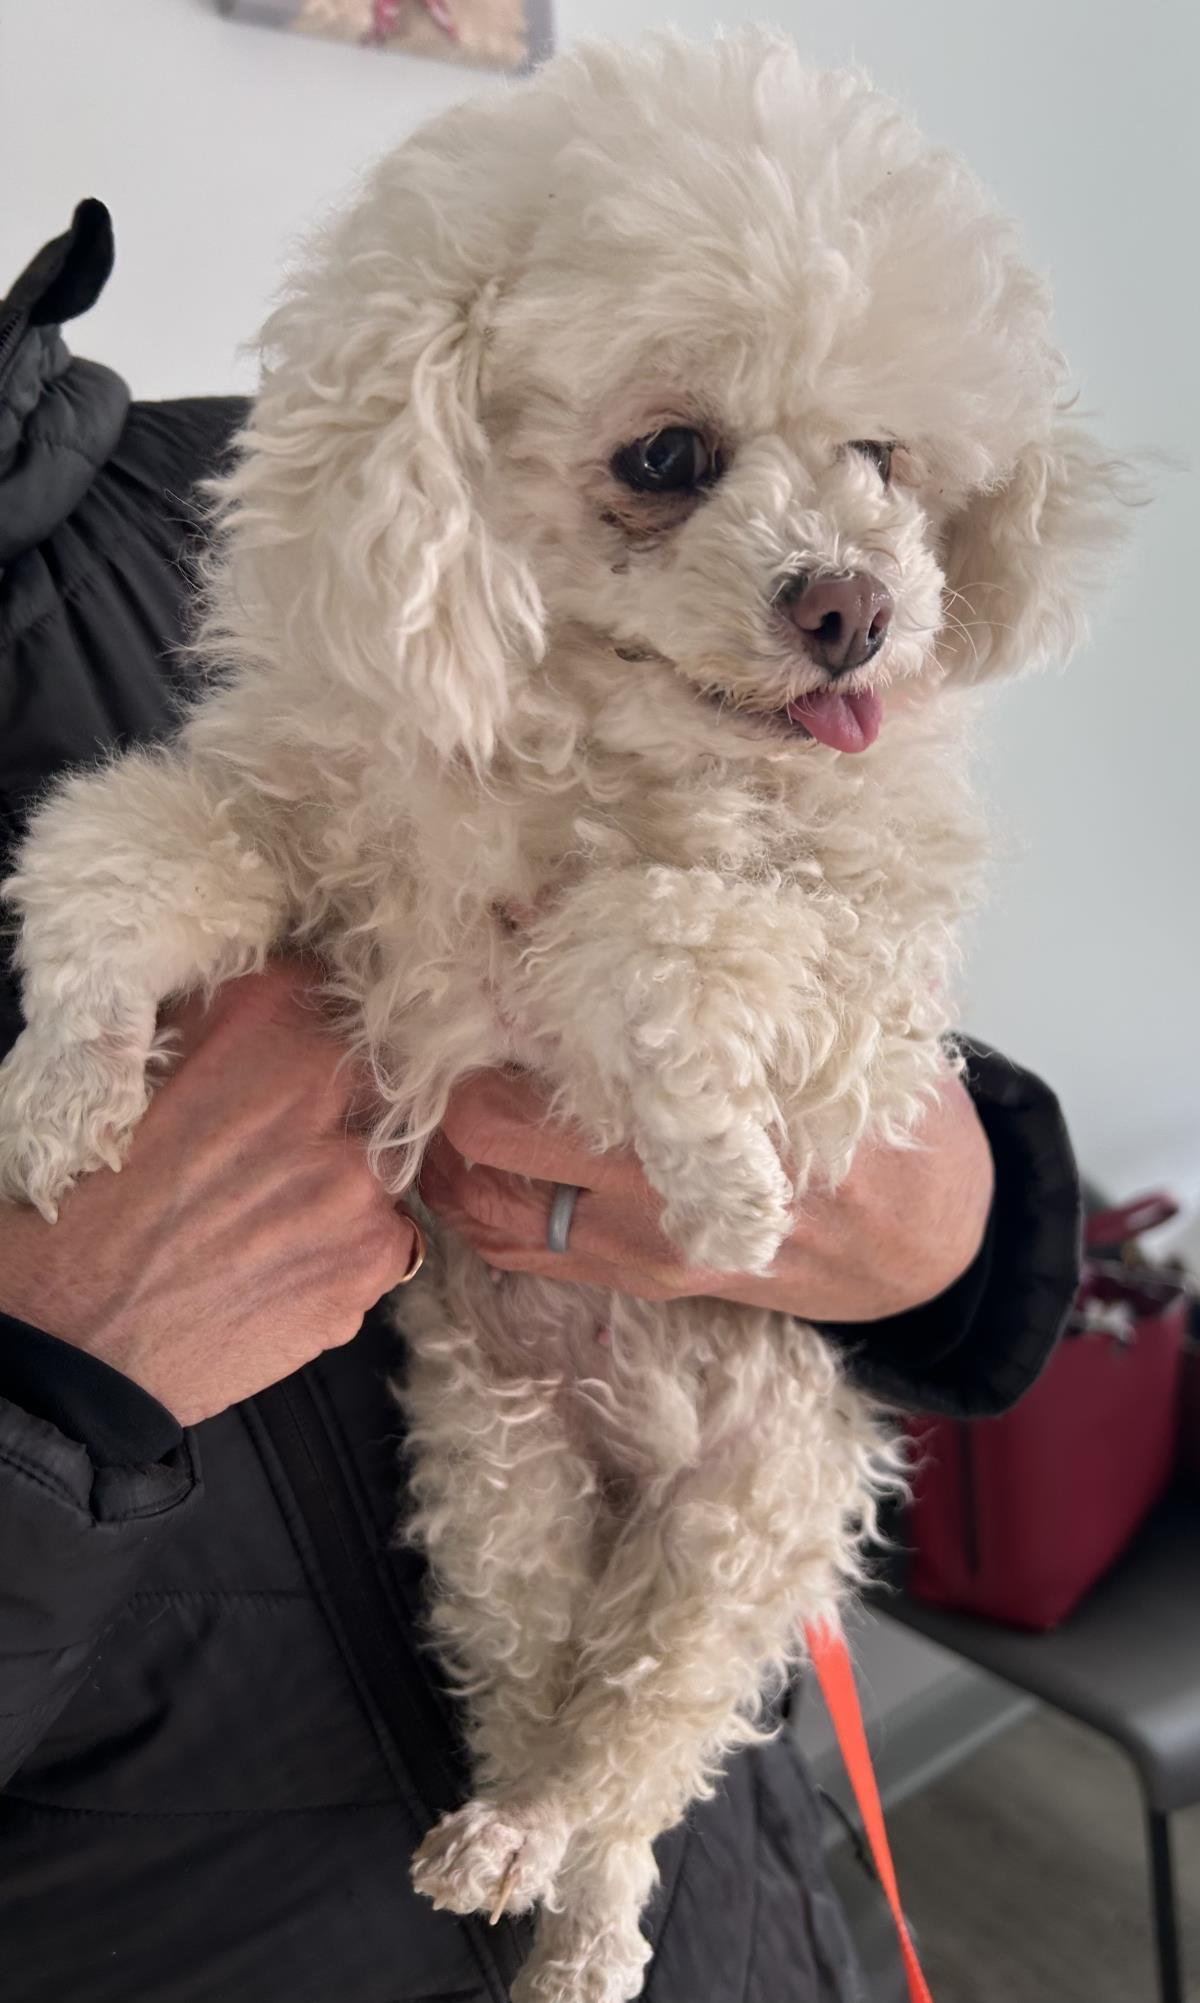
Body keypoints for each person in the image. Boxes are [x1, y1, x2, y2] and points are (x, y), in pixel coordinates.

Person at [0, 205, 1080, 2003]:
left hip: (735, 1902)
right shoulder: (367, 526)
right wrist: (47, 1387)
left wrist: (955, 1224)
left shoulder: (249, 491)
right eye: (669, 463)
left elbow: (840, 923)